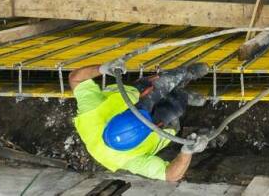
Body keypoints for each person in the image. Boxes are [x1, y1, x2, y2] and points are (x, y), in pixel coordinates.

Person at [69, 63, 210, 181]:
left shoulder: (92, 113)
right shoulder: (129, 160)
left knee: (159, 85)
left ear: (119, 117)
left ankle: (185, 74)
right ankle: (182, 96)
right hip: (158, 128)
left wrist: (103, 68)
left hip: (134, 96)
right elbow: (170, 175)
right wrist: (186, 152)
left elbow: (75, 78)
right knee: (172, 109)